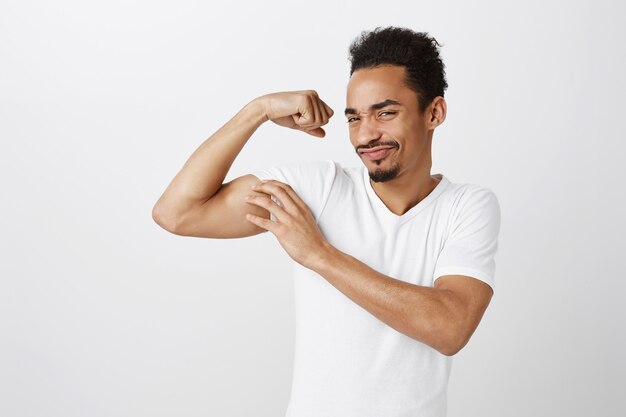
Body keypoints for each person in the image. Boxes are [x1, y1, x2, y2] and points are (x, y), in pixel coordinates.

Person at [152, 26, 501, 417]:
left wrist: (318, 254)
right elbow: (176, 213)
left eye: (385, 112)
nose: (366, 135)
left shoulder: (467, 206)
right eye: (354, 118)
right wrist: (258, 110)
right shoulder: (319, 188)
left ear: (434, 112)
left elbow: (449, 328)